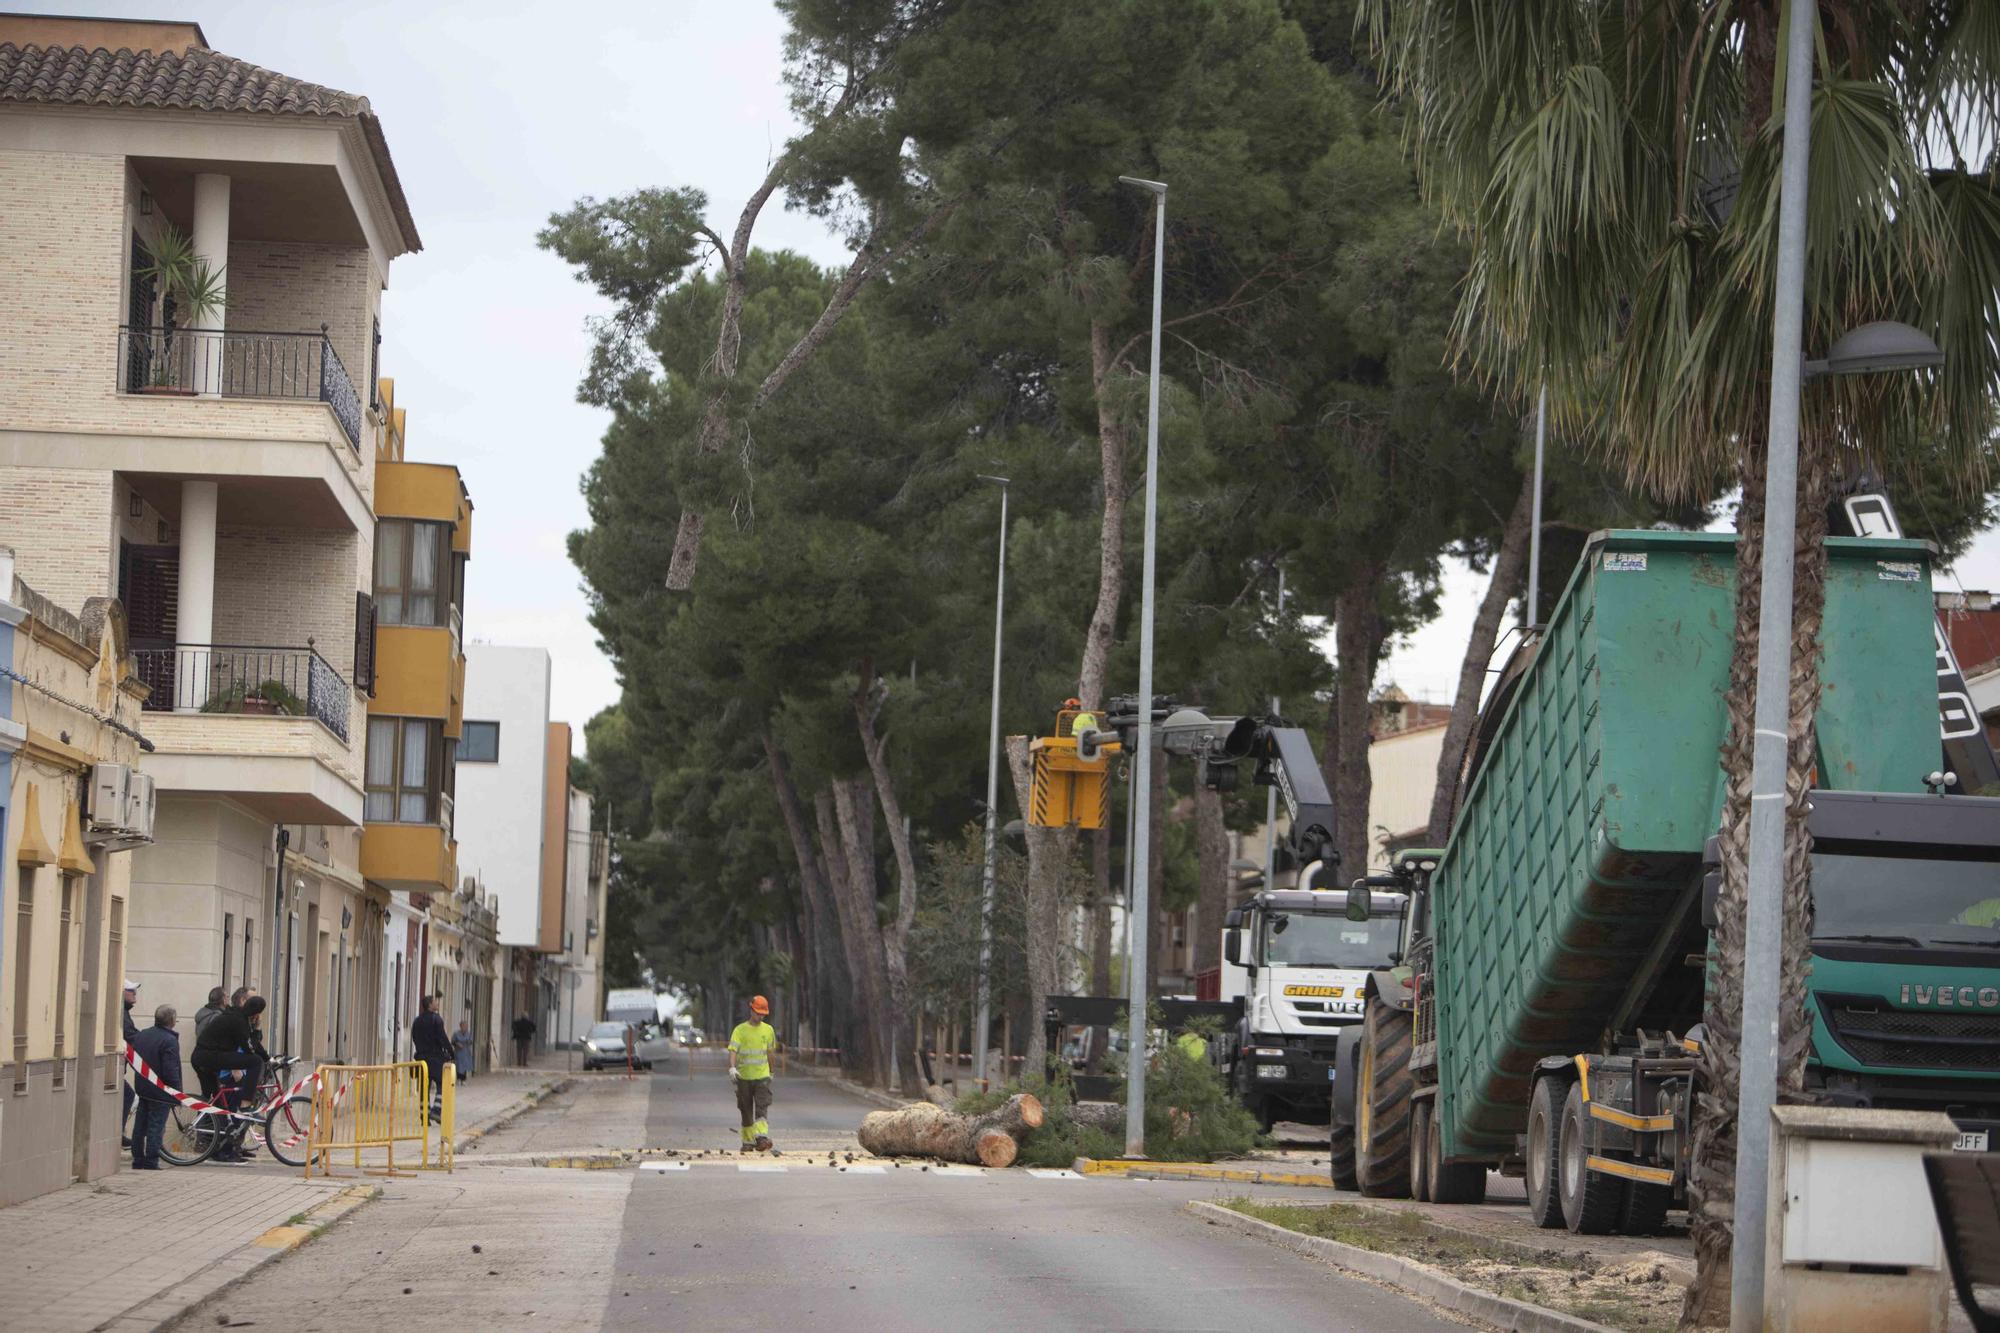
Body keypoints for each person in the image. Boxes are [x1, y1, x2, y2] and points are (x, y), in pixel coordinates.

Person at [191, 995, 266, 1163]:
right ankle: (246, 1104)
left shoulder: (237, 1016)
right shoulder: (239, 1021)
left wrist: (268, 1058)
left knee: (216, 1106)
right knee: (255, 1062)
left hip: (202, 1057)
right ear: (257, 1013)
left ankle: (219, 1150)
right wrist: (264, 1056)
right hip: (209, 1057)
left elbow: (250, 1045)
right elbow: (248, 1049)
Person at [128, 1004, 181, 1170]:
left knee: (140, 1126)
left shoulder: (142, 1035)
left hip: (143, 1087)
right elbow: (171, 1069)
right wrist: (177, 1091)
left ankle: (137, 1159)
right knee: (156, 1126)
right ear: (172, 1020)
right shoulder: (169, 1040)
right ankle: (151, 1161)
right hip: (161, 1091)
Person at [728, 995, 778, 1153]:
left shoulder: (768, 1030)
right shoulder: (740, 1030)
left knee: (762, 1107)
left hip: (762, 1077)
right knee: (746, 1110)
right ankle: (748, 1142)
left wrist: (771, 1071)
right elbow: (733, 1050)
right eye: (758, 1013)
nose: (760, 1016)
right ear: (751, 1010)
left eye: (763, 1014)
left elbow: (770, 1052)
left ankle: (762, 1138)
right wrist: (732, 1067)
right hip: (743, 1077)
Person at [412, 995, 453, 1123]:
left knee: (424, 1086)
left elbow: (414, 1037)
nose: (437, 1003)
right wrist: (451, 1052)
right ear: (430, 1004)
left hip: (421, 1057)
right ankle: (436, 1109)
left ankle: (424, 1115)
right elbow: (442, 1038)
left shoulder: (417, 1021)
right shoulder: (436, 1020)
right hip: (435, 1057)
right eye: (435, 1001)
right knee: (442, 1083)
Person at [120, 980, 140, 1147]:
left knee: (127, 1095)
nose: (134, 994)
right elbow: (130, 1035)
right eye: (131, 990)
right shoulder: (121, 1012)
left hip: (120, 1067)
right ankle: (118, 1132)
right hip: (117, 1066)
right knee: (128, 1095)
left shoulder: (124, 1012)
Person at [453, 1017, 475, 1084]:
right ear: (460, 1026)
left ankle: (463, 1079)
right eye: (463, 1026)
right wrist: (457, 1044)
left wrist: (468, 1042)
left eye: (466, 1026)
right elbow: (453, 1041)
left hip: (466, 1052)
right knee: (459, 1066)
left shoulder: (468, 1034)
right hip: (459, 1052)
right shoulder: (456, 1034)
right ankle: (459, 1079)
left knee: (465, 1066)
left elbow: (471, 1041)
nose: (465, 1027)